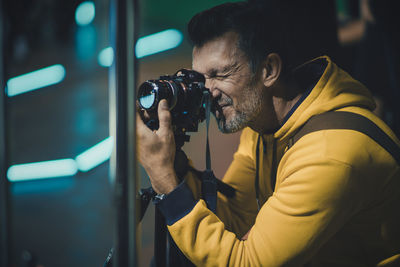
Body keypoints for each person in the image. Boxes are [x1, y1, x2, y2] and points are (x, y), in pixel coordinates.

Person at [137, 1, 400, 266]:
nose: (208, 93)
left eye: (220, 74)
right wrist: (175, 165)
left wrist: (167, 184)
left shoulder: (330, 153)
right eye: (201, 79)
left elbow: (247, 262)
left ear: (269, 70)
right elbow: (238, 217)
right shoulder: (263, 125)